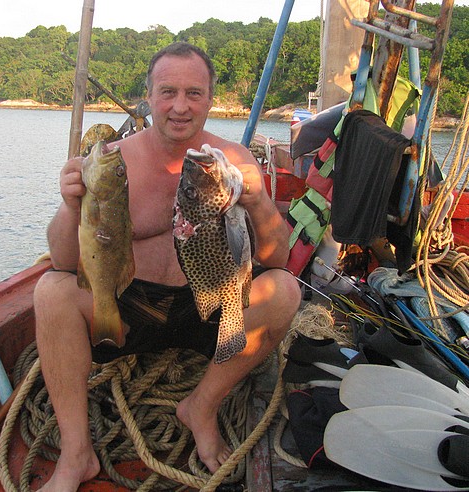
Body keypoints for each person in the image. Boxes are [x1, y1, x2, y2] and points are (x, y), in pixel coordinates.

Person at [34, 42, 301, 491]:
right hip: (125, 308)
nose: (180, 106)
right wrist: (69, 205)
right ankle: (77, 453)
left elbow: (276, 259)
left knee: (285, 291)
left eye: (194, 93)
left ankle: (201, 405)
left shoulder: (233, 161)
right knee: (50, 291)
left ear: (212, 98)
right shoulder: (111, 164)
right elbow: (63, 263)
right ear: (149, 96)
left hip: (212, 307)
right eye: (168, 92)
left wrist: (257, 202)